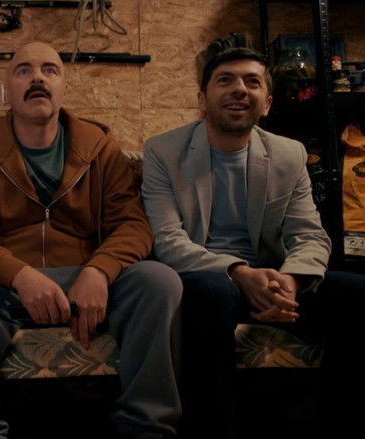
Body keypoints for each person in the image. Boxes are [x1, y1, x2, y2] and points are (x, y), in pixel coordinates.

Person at [0, 41, 183, 439]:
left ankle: (146, 429)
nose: (37, 78)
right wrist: (20, 274)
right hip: (6, 287)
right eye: (23, 71)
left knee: (159, 280)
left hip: (86, 282)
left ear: (63, 87)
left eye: (49, 70)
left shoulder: (101, 149)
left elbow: (133, 225)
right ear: (7, 91)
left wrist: (99, 271)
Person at [141, 47, 365, 438]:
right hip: (207, 277)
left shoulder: (288, 154)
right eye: (225, 80)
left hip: (274, 282)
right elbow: (168, 240)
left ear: (267, 103)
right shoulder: (163, 151)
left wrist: (290, 281)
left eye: (252, 81)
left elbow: (309, 234)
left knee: (358, 294)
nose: (239, 89)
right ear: (202, 99)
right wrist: (240, 273)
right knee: (211, 293)